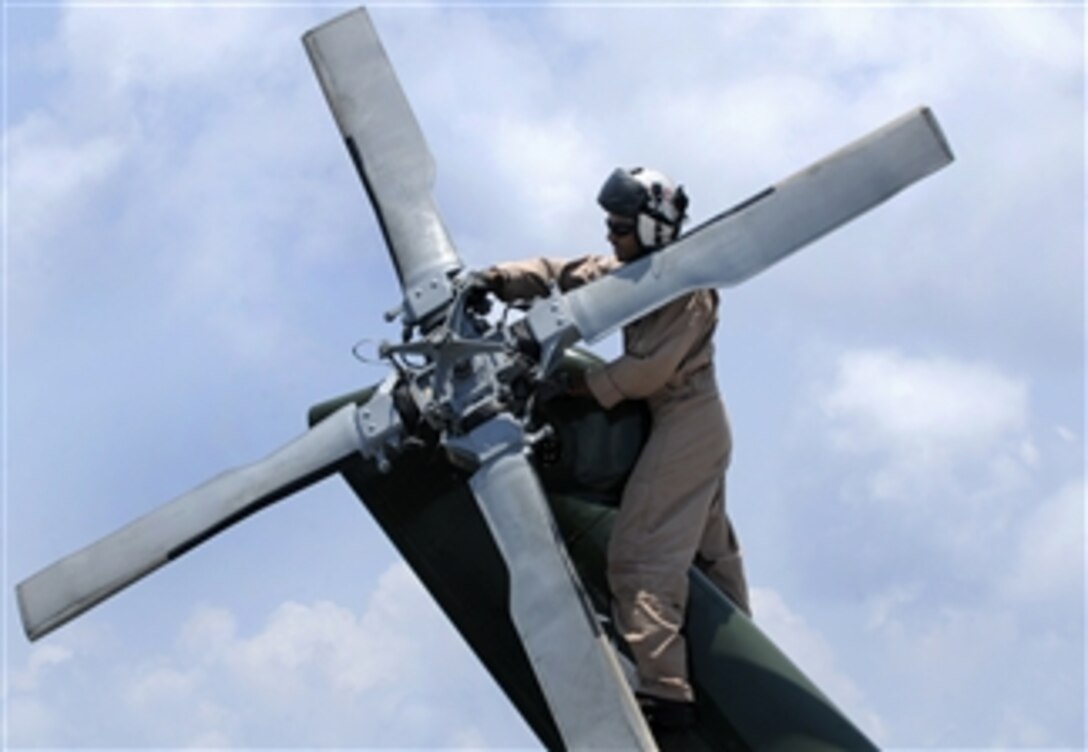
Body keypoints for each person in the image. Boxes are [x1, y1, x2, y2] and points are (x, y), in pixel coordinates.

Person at [479, 167, 751, 734]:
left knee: (640, 561)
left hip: (686, 422)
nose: (611, 236)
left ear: (652, 230)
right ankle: (740, 686)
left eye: (621, 228)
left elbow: (646, 372)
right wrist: (498, 280)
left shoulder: (688, 289)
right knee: (709, 561)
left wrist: (574, 390)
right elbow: (565, 273)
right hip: (683, 426)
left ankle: (666, 701)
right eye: (609, 225)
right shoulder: (632, 272)